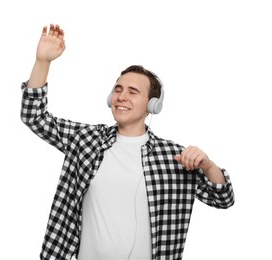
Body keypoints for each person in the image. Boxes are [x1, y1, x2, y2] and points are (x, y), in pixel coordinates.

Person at [21, 24, 235, 260]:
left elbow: (223, 199)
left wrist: (208, 165)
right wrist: (43, 61)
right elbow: (34, 116)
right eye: (118, 89)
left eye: (133, 91)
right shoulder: (86, 140)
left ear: (153, 105)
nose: (121, 96)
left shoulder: (173, 157)